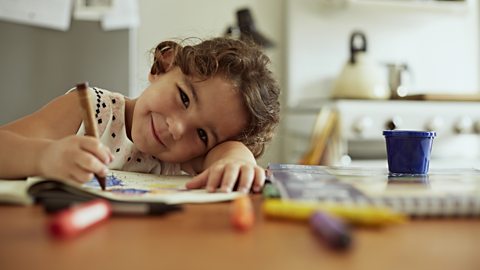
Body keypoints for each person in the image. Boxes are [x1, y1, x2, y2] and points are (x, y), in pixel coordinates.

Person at [0, 37, 280, 193]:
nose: (178, 128)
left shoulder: (187, 157)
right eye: (184, 98)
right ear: (162, 66)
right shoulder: (92, 109)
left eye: (203, 134)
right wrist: (44, 157)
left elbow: (227, 156)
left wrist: (237, 158)